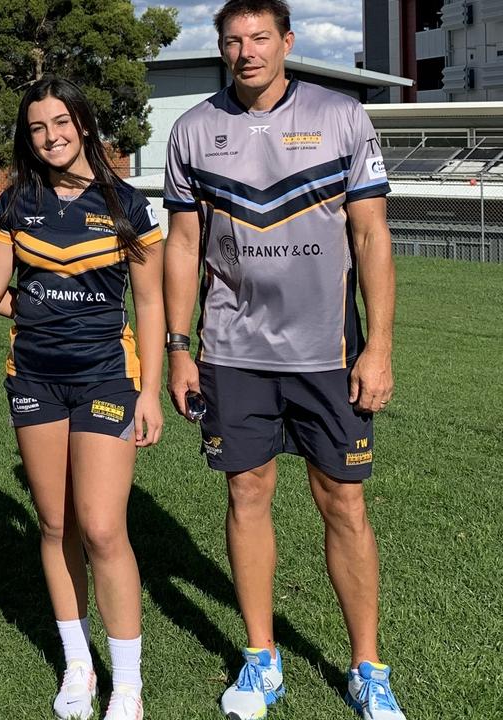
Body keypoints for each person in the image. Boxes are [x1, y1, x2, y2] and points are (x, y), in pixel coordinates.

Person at [161, 3, 403, 720]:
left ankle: (368, 670)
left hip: (329, 354)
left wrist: (380, 346)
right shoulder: (193, 130)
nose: (246, 52)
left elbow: (372, 237)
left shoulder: (342, 117)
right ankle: (261, 662)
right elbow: (180, 246)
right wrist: (178, 347)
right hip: (231, 352)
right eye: (232, 41)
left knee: (345, 504)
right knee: (246, 495)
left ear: (287, 42)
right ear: (222, 49)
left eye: (260, 37)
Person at [0, 76, 164, 720]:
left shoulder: (129, 203)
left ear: (84, 124)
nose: (51, 137)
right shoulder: (16, 202)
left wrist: (150, 392)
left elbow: (152, 302)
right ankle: (78, 667)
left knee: (102, 528)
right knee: (55, 525)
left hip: (105, 374)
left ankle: (125, 682)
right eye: (38, 127)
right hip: (34, 378)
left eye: (62, 122)